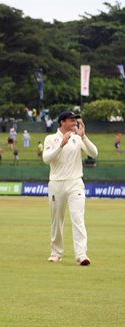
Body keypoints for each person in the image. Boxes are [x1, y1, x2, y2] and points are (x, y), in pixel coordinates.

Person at [43, 111, 97, 266]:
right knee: (57, 220)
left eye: (75, 120)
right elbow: (47, 159)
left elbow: (94, 153)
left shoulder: (77, 138)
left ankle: (81, 254)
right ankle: (56, 253)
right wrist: (61, 145)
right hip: (56, 183)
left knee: (78, 218)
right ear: (62, 122)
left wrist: (83, 137)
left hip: (75, 183)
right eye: (72, 120)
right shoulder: (50, 138)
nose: (75, 123)